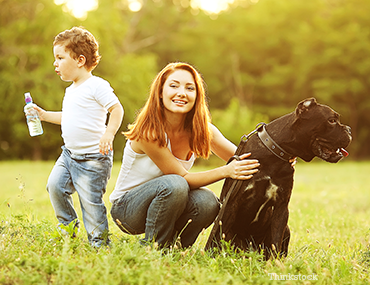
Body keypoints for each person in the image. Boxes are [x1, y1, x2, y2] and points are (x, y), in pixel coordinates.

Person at [109, 62, 259, 248]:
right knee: (175, 183)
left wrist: (280, 160)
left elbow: (244, 156)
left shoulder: (203, 130)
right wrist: (226, 171)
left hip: (170, 201)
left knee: (208, 202)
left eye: (190, 88)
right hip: (127, 210)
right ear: (160, 92)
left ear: (197, 96)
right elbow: (182, 178)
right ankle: (153, 248)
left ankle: (176, 247)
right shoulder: (149, 132)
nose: (182, 93)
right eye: (174, 86)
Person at [32, 27, 124, 247]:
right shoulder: (71, 90)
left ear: (80, 60)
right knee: (55, 186)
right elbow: (69, 117)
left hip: (93, 159)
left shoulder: (96, 86)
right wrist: (43, 115)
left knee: (91, 204)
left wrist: (109, 133)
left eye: (60, 58)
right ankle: (67, 229)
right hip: (69, 155)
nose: (55, 63)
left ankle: (100, 245)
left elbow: (117, 109)